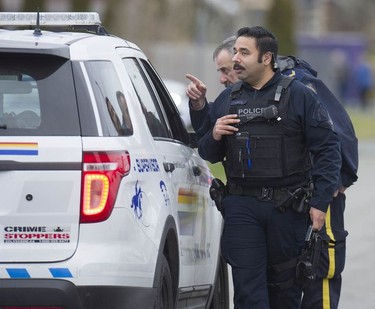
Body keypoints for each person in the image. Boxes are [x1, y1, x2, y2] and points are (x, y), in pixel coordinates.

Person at [196, 26, 342, 308]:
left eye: (244, 52)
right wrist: (214, 134)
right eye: (236, 51)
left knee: (285, 292)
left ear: (267, 58)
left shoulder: (299, 96)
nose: (236, 58)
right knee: (248, 292)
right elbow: (208, 153)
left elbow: (328, 149)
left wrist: (320, 203)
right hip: (241, 209)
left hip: (287, 209)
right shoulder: (229, 99)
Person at [186, 36, 239, 134]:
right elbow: (204, 133)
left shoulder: (273, 98)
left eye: (225, 70)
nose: (222, 80)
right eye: (220, 71)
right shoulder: (226, 99)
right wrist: (199, 104)